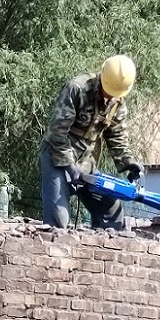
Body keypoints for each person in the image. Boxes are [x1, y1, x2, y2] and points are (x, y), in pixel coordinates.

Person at [40, 55, 144, 230]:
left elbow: (117, 137)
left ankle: (105, 246)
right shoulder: (77, 89)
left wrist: (129, 162)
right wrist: (69, 166)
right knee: (58, 220)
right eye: (108, 91)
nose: (111, 96)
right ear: (102, 77)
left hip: (86, 162)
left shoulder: (118, 102)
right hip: (57, 156)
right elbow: (56, 132)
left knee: (112, 210)